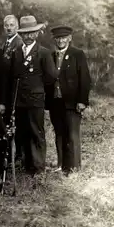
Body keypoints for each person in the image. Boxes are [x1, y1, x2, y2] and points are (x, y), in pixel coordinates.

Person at [8, 15, 57, 177]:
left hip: (35, 99)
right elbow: (14, 75)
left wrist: (37, 86)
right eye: (25, 34)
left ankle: (38, 167)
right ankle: (27, 163)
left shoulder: (43, 53)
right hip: (19, 100)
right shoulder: (16, 52)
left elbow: (50, 77)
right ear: (21, 35)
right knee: (23, 131)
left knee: (36, 131)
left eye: (32, 33)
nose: (28, 37)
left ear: (37, 34)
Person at [45, 25, 91, 174]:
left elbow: (85, 78)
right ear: (54, 40)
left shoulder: (77, 54)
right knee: (59, 133)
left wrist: (82, 101)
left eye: (64, 37)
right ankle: (61, 165)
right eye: (58, 38)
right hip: (55, 102)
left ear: (69, 38)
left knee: (72, 135)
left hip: (72, 103)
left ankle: (74, 167)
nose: (61, 40)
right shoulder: (51, 56)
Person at [0, 14, 25, 164]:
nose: (9, 28)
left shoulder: (19, 43)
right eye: (6, 25)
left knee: (16, 123)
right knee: (8, 122)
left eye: (11, 25)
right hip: (6, 89)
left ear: (17, 27)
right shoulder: (7, 43)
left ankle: (18, 155)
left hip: (15, 90)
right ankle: (11, 153)